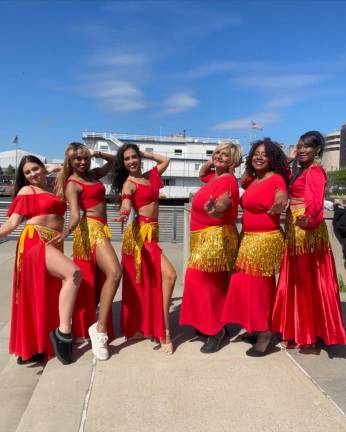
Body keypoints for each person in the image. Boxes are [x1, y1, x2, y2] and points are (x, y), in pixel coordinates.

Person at [0, 155, 81, 365]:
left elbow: (73, 165)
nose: (32, 174)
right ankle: (63, 334)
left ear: (43, 168)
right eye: (27, 173)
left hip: (54, 243)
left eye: (35, 169)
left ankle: (36, 347)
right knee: (73, 273)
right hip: (34, 241)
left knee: (45, 294)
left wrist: (51, 167)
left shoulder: (54, 188)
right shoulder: (27, 191)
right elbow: (12, 223)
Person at [272, 131, 346, 346]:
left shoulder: (315, 171)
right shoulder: (299, 170)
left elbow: (314, 201)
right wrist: (289, 158)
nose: (302, 150)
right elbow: (281, 179)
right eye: (300, 146)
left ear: (317, 150)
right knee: (298, 281)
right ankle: (298, 330)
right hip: (297, 230)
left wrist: (308, 218)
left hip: (307, 232)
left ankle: (309, 336)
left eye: (307, 147)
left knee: (306, 282)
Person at [222, 138, 289, 356]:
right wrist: (237, 163)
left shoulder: (276, 178)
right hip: (247, 239)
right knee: (243, 284)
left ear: (273, 159)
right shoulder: (251, 180)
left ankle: (266, 332)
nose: (259, 157)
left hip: (264, 240)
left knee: (260, 288)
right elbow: (233, 179)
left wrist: (279, 203)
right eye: (256, 154)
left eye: (265, 154)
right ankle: (254, 325)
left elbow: (281, 195)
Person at [55, 143, 121, 361]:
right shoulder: (72, 184)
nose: (82, 162)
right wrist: (65, 233)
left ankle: (97, 325)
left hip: (102, 227)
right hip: (90, 228)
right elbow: (74, 215)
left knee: (102, 278)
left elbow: (113, 162)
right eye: (77, 159)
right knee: (114, 272)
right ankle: (99, 330)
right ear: (70, 162)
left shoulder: (92, 174)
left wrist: (97, 153)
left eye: (85, 158)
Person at [113, 144, 176, 354]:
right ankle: (164, 329)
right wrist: (124, 211)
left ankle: (153, 326)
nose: (131, 161)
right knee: (169, 276)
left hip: (151, 235)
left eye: (134, 157)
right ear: (123, 164)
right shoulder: (128, 184)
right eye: (127, 159)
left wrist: (145, 153)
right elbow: (126, 202)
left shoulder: (151, 176)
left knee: (153, 283)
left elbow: (166, 160)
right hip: (140, 237)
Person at [180, 142, 242, 353]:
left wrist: (215, 209)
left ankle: (217, 330)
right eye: (218, 153)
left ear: (233, 161)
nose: (220, 157)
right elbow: (202, 172)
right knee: (211, 283)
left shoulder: (228, 181)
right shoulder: (214, 177)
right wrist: (215, 159)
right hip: (202, 237)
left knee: (199, 280)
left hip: (214, 237)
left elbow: (224, 205)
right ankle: (210, 323)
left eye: (226, 155)